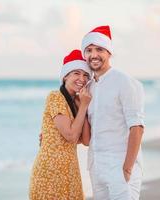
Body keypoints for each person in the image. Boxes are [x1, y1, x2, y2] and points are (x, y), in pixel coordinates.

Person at [81, 25, 145, 200]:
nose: (93, 55)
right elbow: (85, 133)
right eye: (89, 50)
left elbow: (137, 127)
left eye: (99, 49)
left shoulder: (125, 82)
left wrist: (126, 168)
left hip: (120, 167)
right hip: (96, 167)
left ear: (109, 52)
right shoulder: (88, 87)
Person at [29, 49, 92, 200]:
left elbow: (86, 140)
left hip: (69, 173)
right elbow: (70, 135)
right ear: (65, 76)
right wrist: (83, 106)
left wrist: (82, 106)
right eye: (76, 73)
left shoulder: (77, 102)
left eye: (85, 75)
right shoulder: (55, 97)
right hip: (50, 173)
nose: (82, 79)